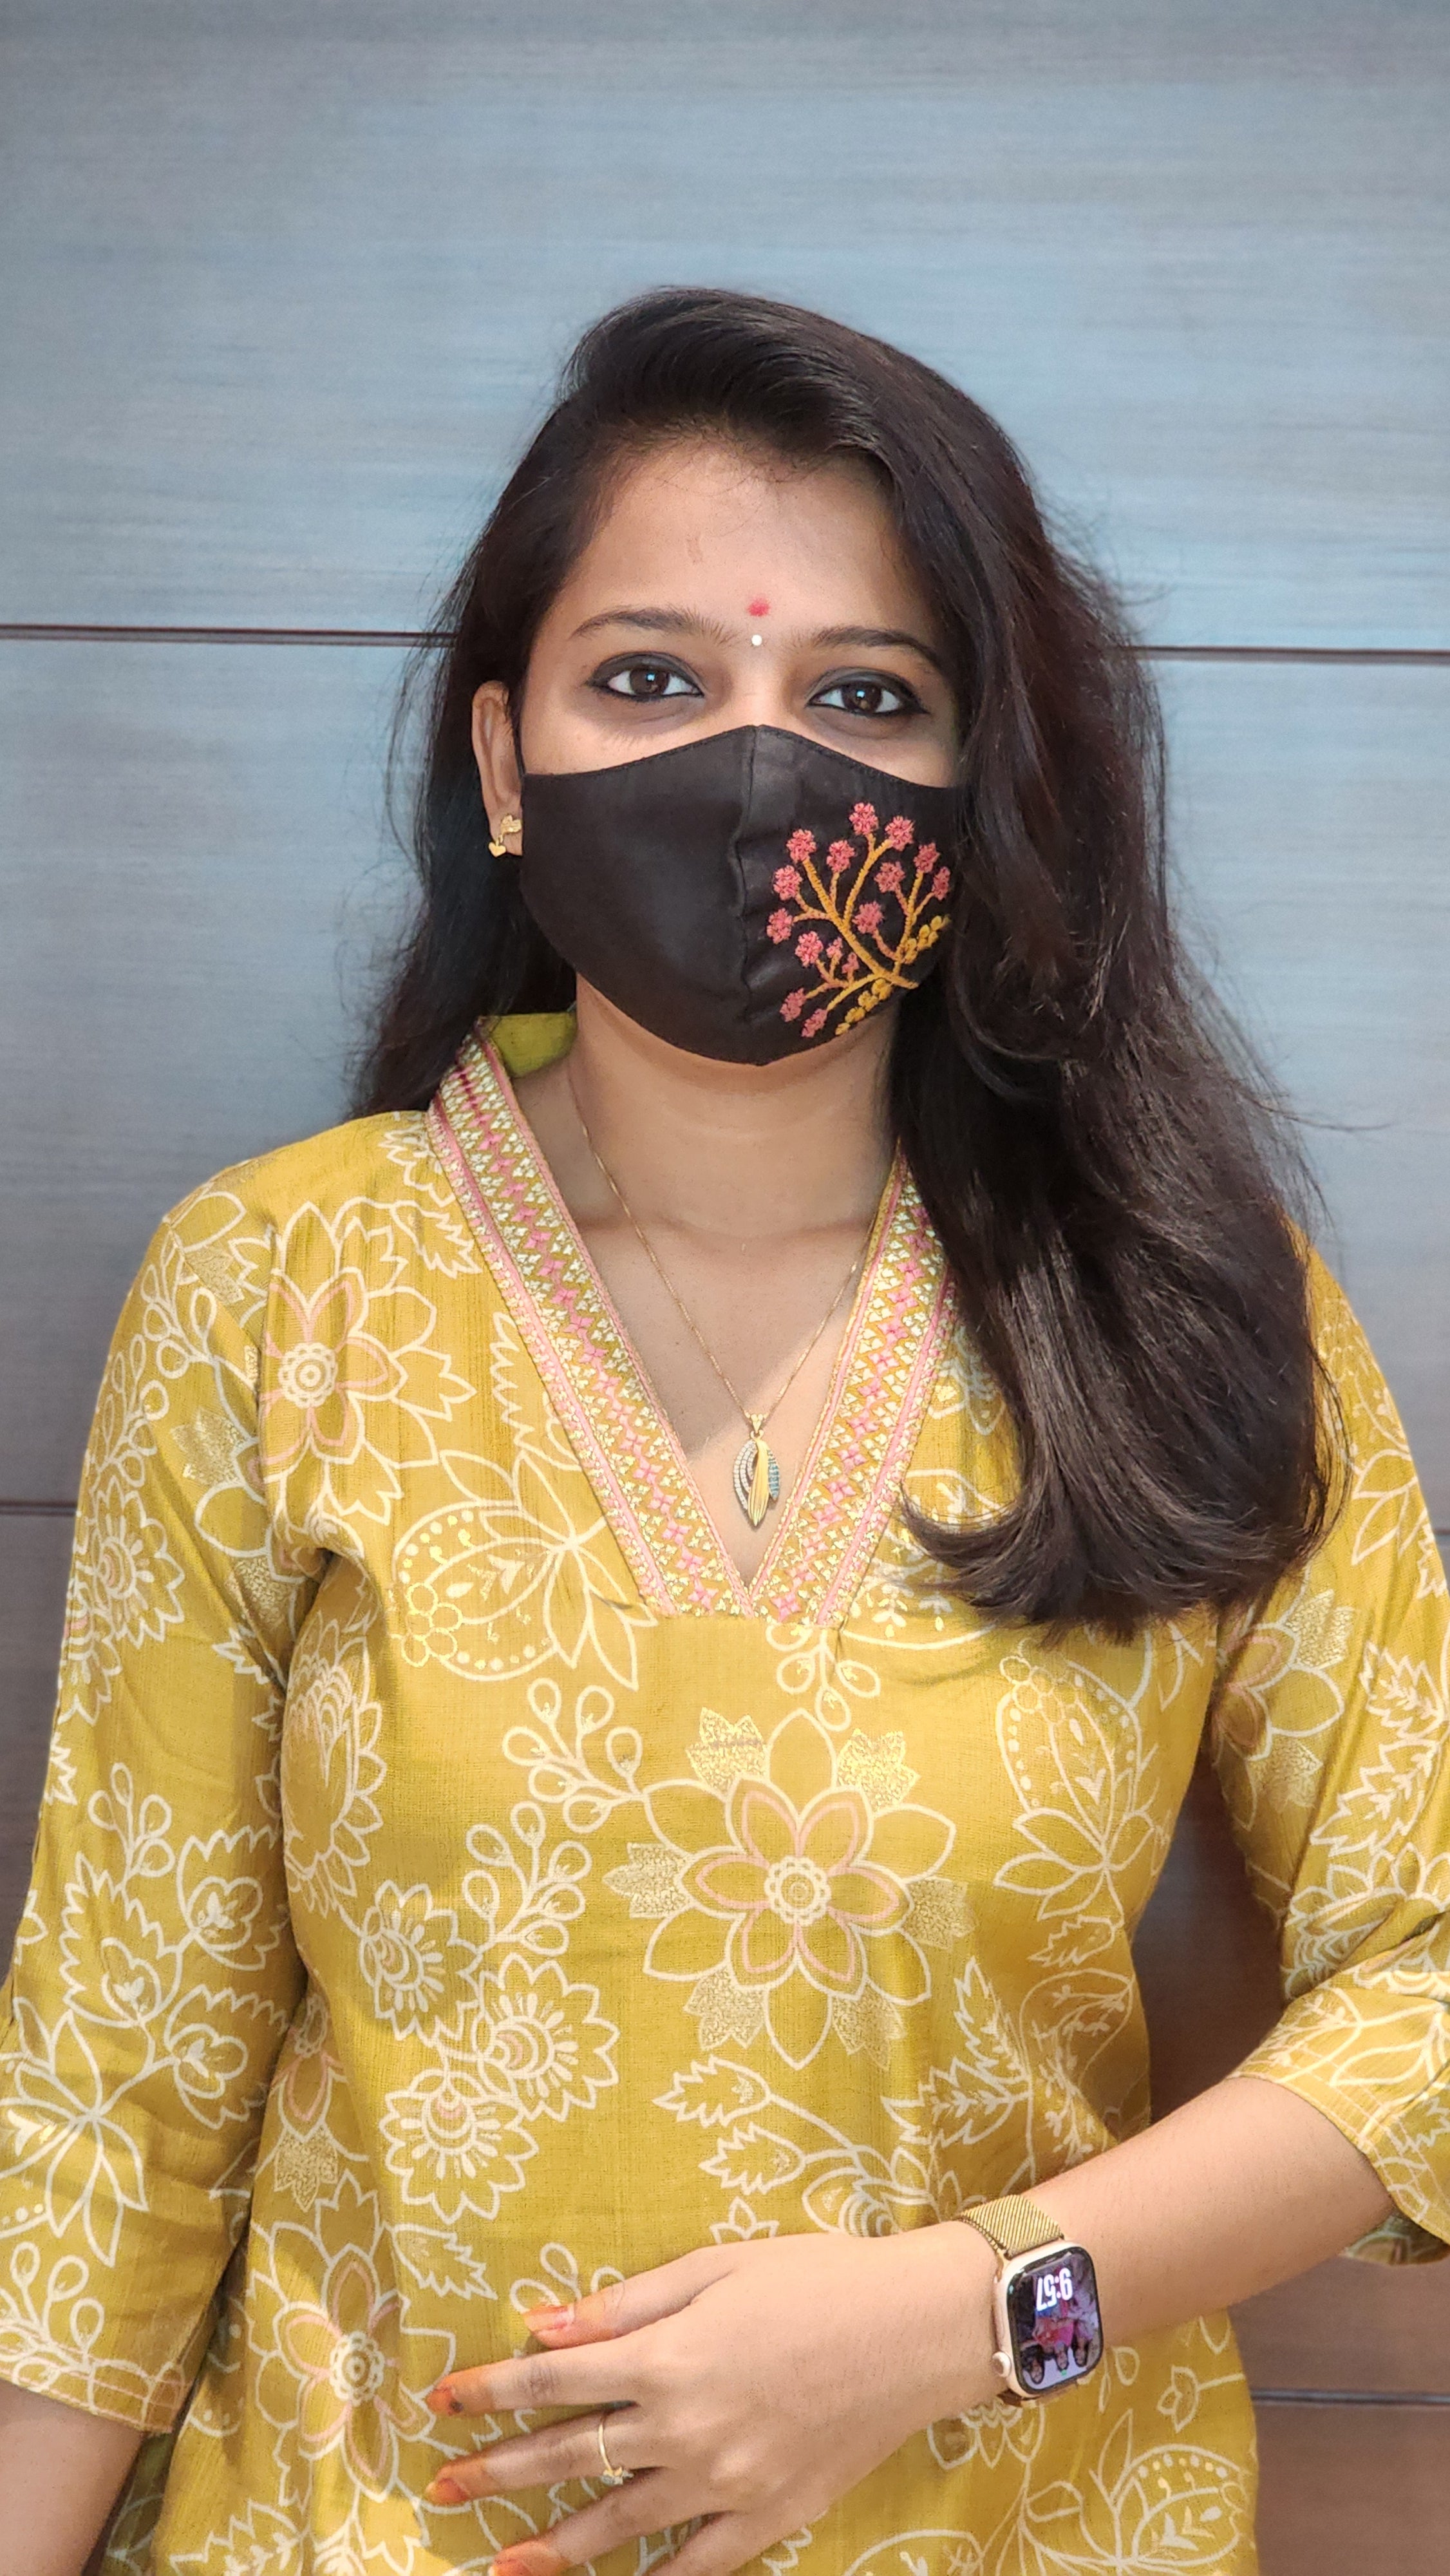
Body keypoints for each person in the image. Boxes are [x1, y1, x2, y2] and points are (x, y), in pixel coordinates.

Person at [0, 287, 1446, 2576]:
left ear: (980, 781)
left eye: (863, 697)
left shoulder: (1179, 1302)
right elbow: (118, 2089)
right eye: (650, 681)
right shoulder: (282, 1287)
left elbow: (1435, 1987)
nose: (756, 774)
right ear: (504, 762)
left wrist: (967, 2315)